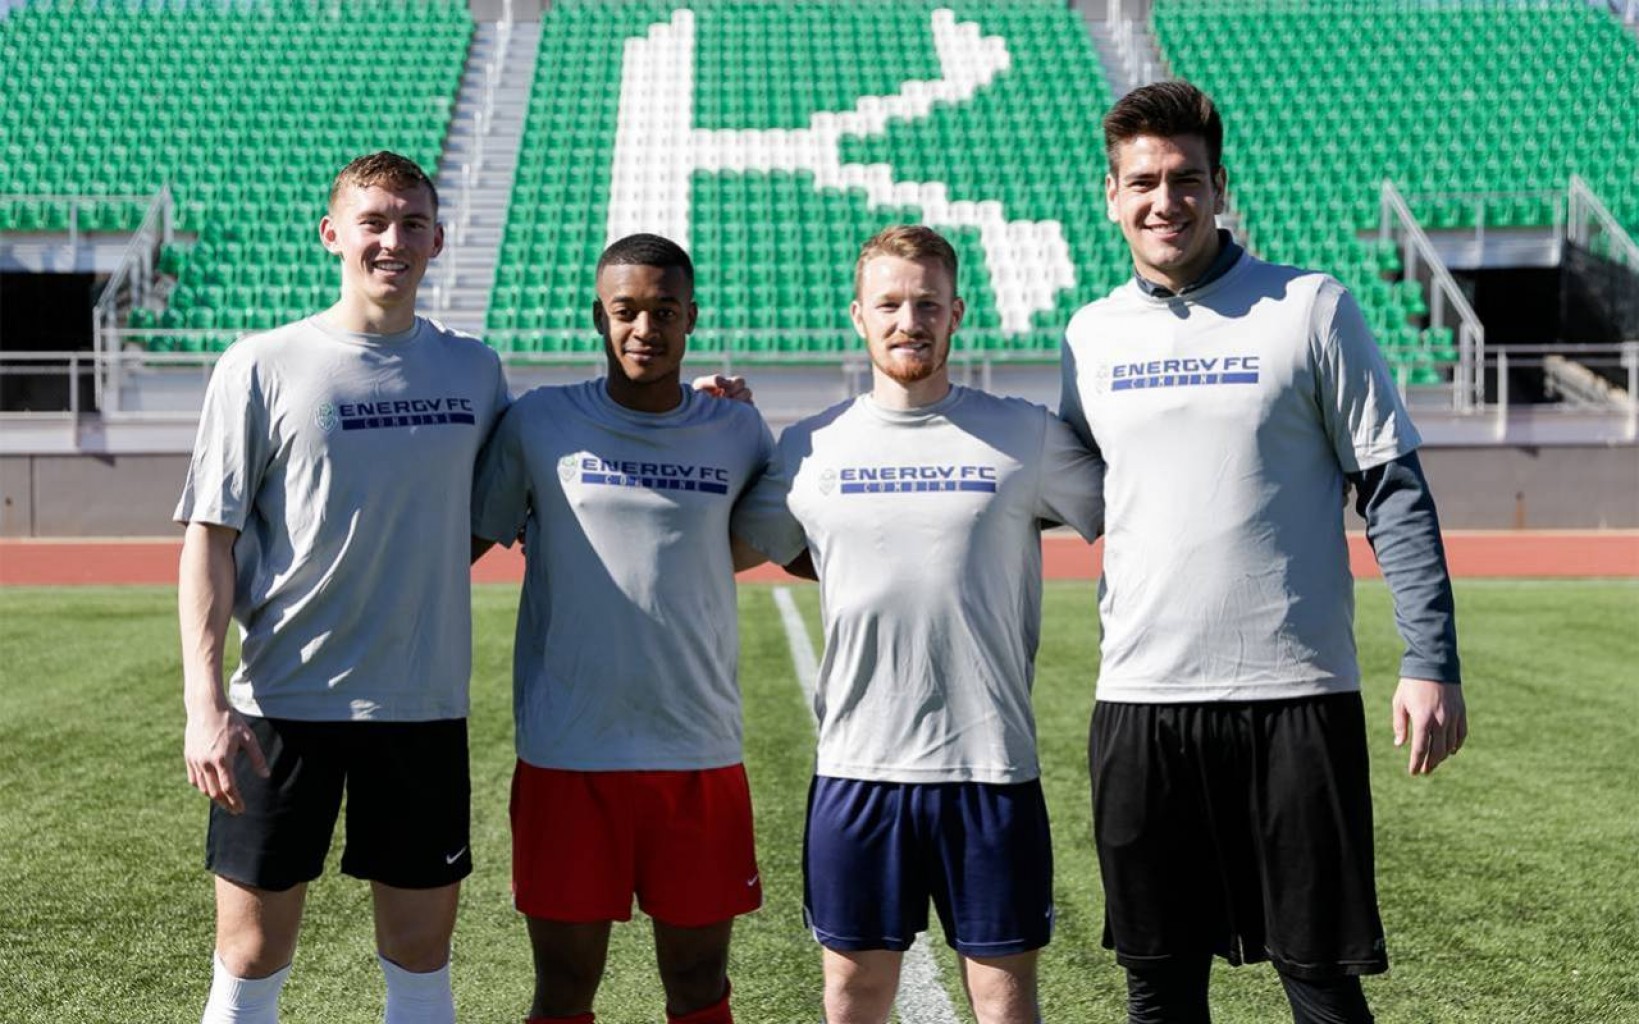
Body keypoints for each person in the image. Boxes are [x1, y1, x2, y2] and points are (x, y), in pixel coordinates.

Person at [1058, 80, 1468, 1024]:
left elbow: (1393, 490)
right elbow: (1058, 483)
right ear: (1111, 195)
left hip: (1294, 696)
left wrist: (1429, 661)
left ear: (1218, 185)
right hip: (1142, 699)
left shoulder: (1310, 308)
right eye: (1145, 181)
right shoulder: (1087, 337)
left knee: (1319, 982)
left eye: (1187, 179)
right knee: (1157, 987)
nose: (1167, 200)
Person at [734, 225, 1105, 1024]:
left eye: (927, 303)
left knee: (1003, 1000)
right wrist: (704, 421)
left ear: (956, 312)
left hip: (990, 767)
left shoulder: (1025, 436)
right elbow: (732, 539)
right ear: (858, 317)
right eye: (890, 304)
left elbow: (1136, 510)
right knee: (852, 991)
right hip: (859, 767)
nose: (909, 320)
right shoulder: (809, 448)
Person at [176, 151, 509, 1024]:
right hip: (280, 708)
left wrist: (682, 403)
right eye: (373, 221)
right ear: (333, 235)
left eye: (409, 223)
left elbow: (489, 506)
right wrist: (203, 705)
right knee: (249, 960)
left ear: (438, 239)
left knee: (420, 961)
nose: (391, 240)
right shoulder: (261, 364)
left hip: (421, 707)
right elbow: (209, 537)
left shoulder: (475, 372)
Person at [470, 233, 777, 1024]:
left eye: (665, 311)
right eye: (627, 311)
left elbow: (774, 542)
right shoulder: (539, 423)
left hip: (697, 750)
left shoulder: (738, 431)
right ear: (598, 319)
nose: (646, 329)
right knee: (565, 988)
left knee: (699, 984)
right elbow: (463, 542)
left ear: (691, 319)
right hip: (569, 753)